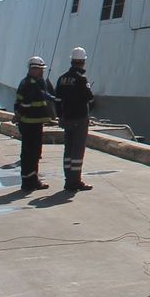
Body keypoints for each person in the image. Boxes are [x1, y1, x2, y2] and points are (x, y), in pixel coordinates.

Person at [13, 56, 59, 191]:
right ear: (33, 69)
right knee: (31, 153)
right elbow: (26, 103)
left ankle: (29, 180)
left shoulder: (31, 82)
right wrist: (19, 115)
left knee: (30, 153)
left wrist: (55, 99)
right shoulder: (30, 84)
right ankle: (31, 182)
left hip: (33, 122)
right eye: (40, 70)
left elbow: (43, 95)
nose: (42, 72)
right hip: (31, 123)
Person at [54, 47, 96, 191]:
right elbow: (90, 98)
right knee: (77, 151)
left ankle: (68, 179)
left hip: (67, 118)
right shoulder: (81, 78)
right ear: (83, 62)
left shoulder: (62, 78)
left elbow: (57, 100)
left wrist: (60, 116)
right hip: (80, 118)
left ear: (72, 61)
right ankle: (75, 181)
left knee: (68, 150)